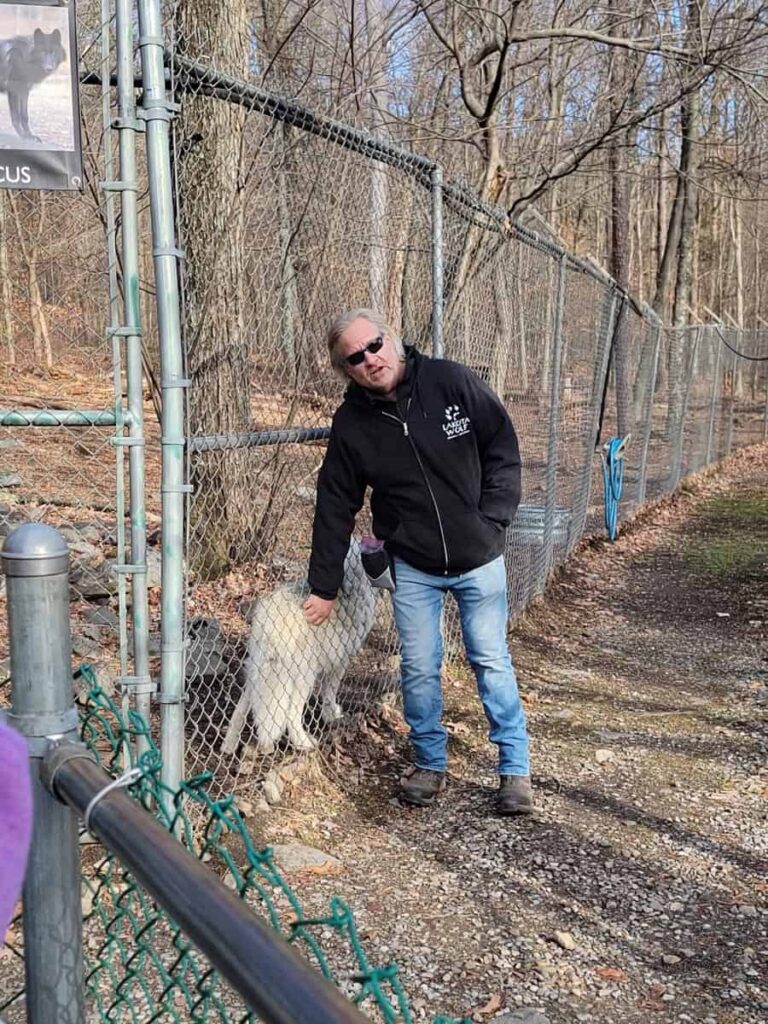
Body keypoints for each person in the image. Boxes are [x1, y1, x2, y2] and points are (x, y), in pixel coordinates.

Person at [304, 309, 532, 815]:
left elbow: (501, 446)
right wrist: (324, 586)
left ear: (392, 340)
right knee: (420, 667)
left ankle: (514, 769)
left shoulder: (451, 381)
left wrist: (493, 518)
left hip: (479, 557)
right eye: (355, 358)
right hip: (413, 565)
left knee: (490, 659)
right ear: (346, 370)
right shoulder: (352, 423)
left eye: (374, 345)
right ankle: (430, 763)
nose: (370, 360)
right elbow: (335, 501)